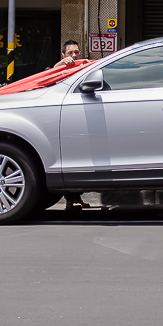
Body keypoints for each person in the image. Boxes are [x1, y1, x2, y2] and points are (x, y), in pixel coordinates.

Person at [55, 39, 88, 209]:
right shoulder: (59, 68)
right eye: (70, 53)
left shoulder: (83, 68)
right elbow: (49, 76)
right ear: (63, 55)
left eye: (77, 52)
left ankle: (77, 198)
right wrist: (61, 64)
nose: (74, 56)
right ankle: (70, 200)